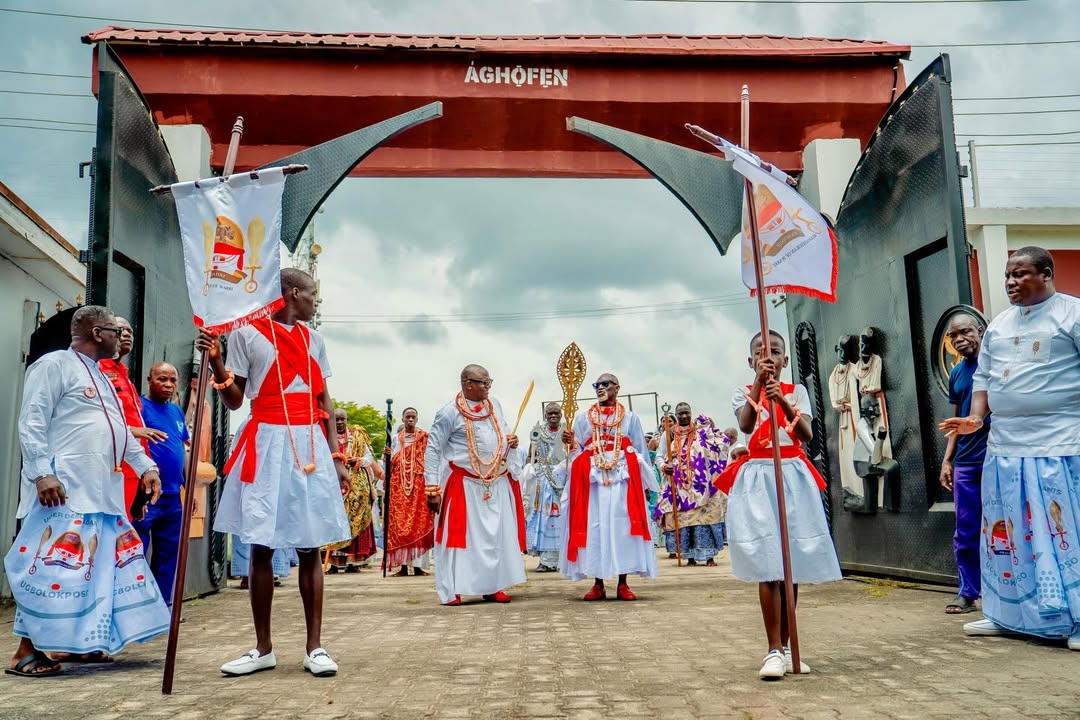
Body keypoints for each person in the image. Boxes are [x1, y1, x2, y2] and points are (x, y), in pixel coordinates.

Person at [196, 268, 351, 677]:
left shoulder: (314, 340)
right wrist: (216, 362)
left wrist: (337, 457)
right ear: (293, 292)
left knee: (310, 545)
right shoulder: (247, 334)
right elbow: (234, 400)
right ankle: (263, 648)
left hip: (308, 445)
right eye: (313, 294)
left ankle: (315, 648)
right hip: (266, 442)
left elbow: (324, 401)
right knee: (261, 546)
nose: (316, 301)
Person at [4, 305, 166, 677]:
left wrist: (146, 467)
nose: (122, 337)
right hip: (64, 491)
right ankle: (26, 652)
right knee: (53, 569)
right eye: (116, 330)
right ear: (96, 333)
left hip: (101, 492)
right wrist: (42, 474)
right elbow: (31, 422)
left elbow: (119, 430)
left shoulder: (102, 375)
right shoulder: (53, 365)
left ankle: (79, 645)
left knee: (93, 572)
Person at [940, 247, 1080, 650]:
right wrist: (975, 418)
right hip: (1005, 449)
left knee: (1063, 532)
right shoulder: (999, 324)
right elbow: (983, 378)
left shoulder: (1072, 314)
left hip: (1059, 444)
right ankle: (1008, 614)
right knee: (1007, 533)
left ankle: (1075, 617)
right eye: (1007, 276)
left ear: (1047, 274)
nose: (1011, 283)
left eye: (1020, 274)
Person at [716, 330, 841, 679]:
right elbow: (746, 423)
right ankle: (772, 649)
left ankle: (787, 648)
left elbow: (806, 435)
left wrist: (782, 401)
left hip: (792, 475)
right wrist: (759, 386)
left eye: (774, 351)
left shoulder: (797, 391)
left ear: (786, 359)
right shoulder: (742, 392)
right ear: (751, 360)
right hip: (759, 478)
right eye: (760, 351)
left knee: (790, 564)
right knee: (767, 561)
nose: (767, 356)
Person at [424, 364, 525, 605]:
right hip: (464, 485)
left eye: (490, 382)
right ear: (468, 384)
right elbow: (433, 450)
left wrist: (511, 442)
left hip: (495, 482)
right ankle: (451, 590)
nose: (489, 387)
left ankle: (493, 585)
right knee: (458, 541)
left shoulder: (494, 405)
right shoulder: (448, 413)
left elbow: (503, 431)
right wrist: (432, 488)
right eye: (484, 383)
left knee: (495, 537)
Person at [561, 373, 658, 600]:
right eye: (597, 385)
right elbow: (576, 451)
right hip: (593, 481)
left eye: (605, 384)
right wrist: (569, 443)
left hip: (622, 479)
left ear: (617, 388)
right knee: (595, 527)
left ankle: (623, 583)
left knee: (622, 527)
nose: (600, 388)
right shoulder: (583, 417)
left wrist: (644, 485)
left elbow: (641, 451)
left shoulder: (630, 418)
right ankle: (598, 584)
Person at [939, 313, 990, 615]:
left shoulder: (996, 363)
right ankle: (968, 593)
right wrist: (948, 460)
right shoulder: (957, 372)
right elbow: (955, 421)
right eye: (953, 336)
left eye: (965, 332)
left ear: (980, 330)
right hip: (966, 462)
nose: (959, 340)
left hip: (997, 457)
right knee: (966, 530)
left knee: (1007, 526)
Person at [131, 362, 189, 605]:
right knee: (136, 551)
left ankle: (162, 607)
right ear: (149, 380)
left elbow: (182, 448)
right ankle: (136, 607)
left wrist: (188, 487)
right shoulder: (139, 407)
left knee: (168, 554)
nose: (168, 385)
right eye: (162, 379)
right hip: (146, 494)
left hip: (173, 496)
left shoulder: (176, 411)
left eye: (173, 380)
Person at [653, 402, 730, 566]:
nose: (683, 416)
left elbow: (720, 443)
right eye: (680, 413)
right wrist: (664, 466)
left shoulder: (701, 431)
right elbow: (660, 456)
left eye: (686, 412)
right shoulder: (669, 434)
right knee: (684, 520)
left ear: (690, 413)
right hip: (679, 485)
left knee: (705, 517)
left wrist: (712, 428)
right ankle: (690, 557)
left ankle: (709, 557)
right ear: (676, 415)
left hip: (701, 484)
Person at [98, 316, 159, 518]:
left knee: (125, 527)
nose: (126, 334)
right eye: (120, 330)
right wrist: (133, 431)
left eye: (130, 331)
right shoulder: (98, 371)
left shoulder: (125, 377)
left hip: (133, 469)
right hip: (112, 468)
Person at [384, 407, 434, 576]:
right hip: (399, 488)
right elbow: (390, 465)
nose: (410, 419)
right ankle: (403, 567)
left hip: (419, 486)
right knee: (400, 526)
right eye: (407, 417)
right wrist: (388, 456)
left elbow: (431, 460)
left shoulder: (425, 438)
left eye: (413, 417)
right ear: (403, 419)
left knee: (418, 524)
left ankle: (419, 567)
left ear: (417, 419)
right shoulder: (395, 439)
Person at [521, 403, 567, 572]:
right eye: (550, 413)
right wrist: (529, 471)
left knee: (561, 518)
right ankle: (546, 560)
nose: (553, 416)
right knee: (544, 518)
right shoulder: (538, 432)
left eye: (556, 413)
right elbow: (530, 457)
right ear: (545, 415)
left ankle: (562, 560)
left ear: (561, 415)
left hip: (563, 480)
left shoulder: (567, 432)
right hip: (543, 481)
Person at [330, 416, 379, 572]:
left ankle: (352, 562)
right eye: (336, 419)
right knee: (334, 521)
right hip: (333, 482)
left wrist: (357, 460)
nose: (339, 422)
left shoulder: (357, 436)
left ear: (347, 420)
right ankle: (334, 562)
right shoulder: (326, 436)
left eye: (342, 419)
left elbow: (369, 458)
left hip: (356, 485)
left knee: (355, 520)